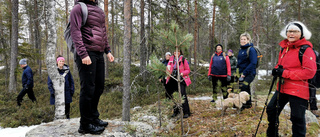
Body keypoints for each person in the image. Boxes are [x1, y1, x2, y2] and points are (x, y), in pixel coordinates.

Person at [70, 0, 114, 134]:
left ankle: (94, 118)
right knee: (88, 89)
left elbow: (103, 32)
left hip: (99, 53)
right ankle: (85, 124)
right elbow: (75, 31)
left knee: (99, 87)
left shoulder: (99, 11)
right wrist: (83, 54)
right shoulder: (78, 9)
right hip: (86, 53)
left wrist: (108, 50)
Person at [266, 21, 316, 137]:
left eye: (295, 31)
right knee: (271, 110)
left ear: (302, 34)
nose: (291, 34)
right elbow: (281, 65)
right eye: (289, 31)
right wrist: (276, 70)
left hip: (299, 90)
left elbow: (309, 72)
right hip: (282, 88)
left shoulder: (306, 50)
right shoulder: (284, 48)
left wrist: (285, 73)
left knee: (297, 118)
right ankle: (272, 134)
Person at [166, 49, 191, 118]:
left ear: (180, 52)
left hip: (181, 79)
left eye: (177, 52)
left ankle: (186, 112)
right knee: (174, 95)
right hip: (173, 79)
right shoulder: (171, 59)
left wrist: (182, 73)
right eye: (174, 51)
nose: (175, 53)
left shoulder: (183, 59)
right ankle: (176, 111)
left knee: (183, 95)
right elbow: (168, 68)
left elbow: (188, 70)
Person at [237, 32, 257, 109]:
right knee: (244, 87)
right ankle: (248, 104)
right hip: (241, 73)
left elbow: (253, 63)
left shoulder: (251, 50)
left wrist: (244, 73)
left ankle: (244, 104)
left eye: (244, 39)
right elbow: (239, 63)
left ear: (248, 40)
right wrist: (237, 72)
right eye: (241, 39)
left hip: (250, 73)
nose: (242, 41)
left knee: (244, 86)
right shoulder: (241, 49)